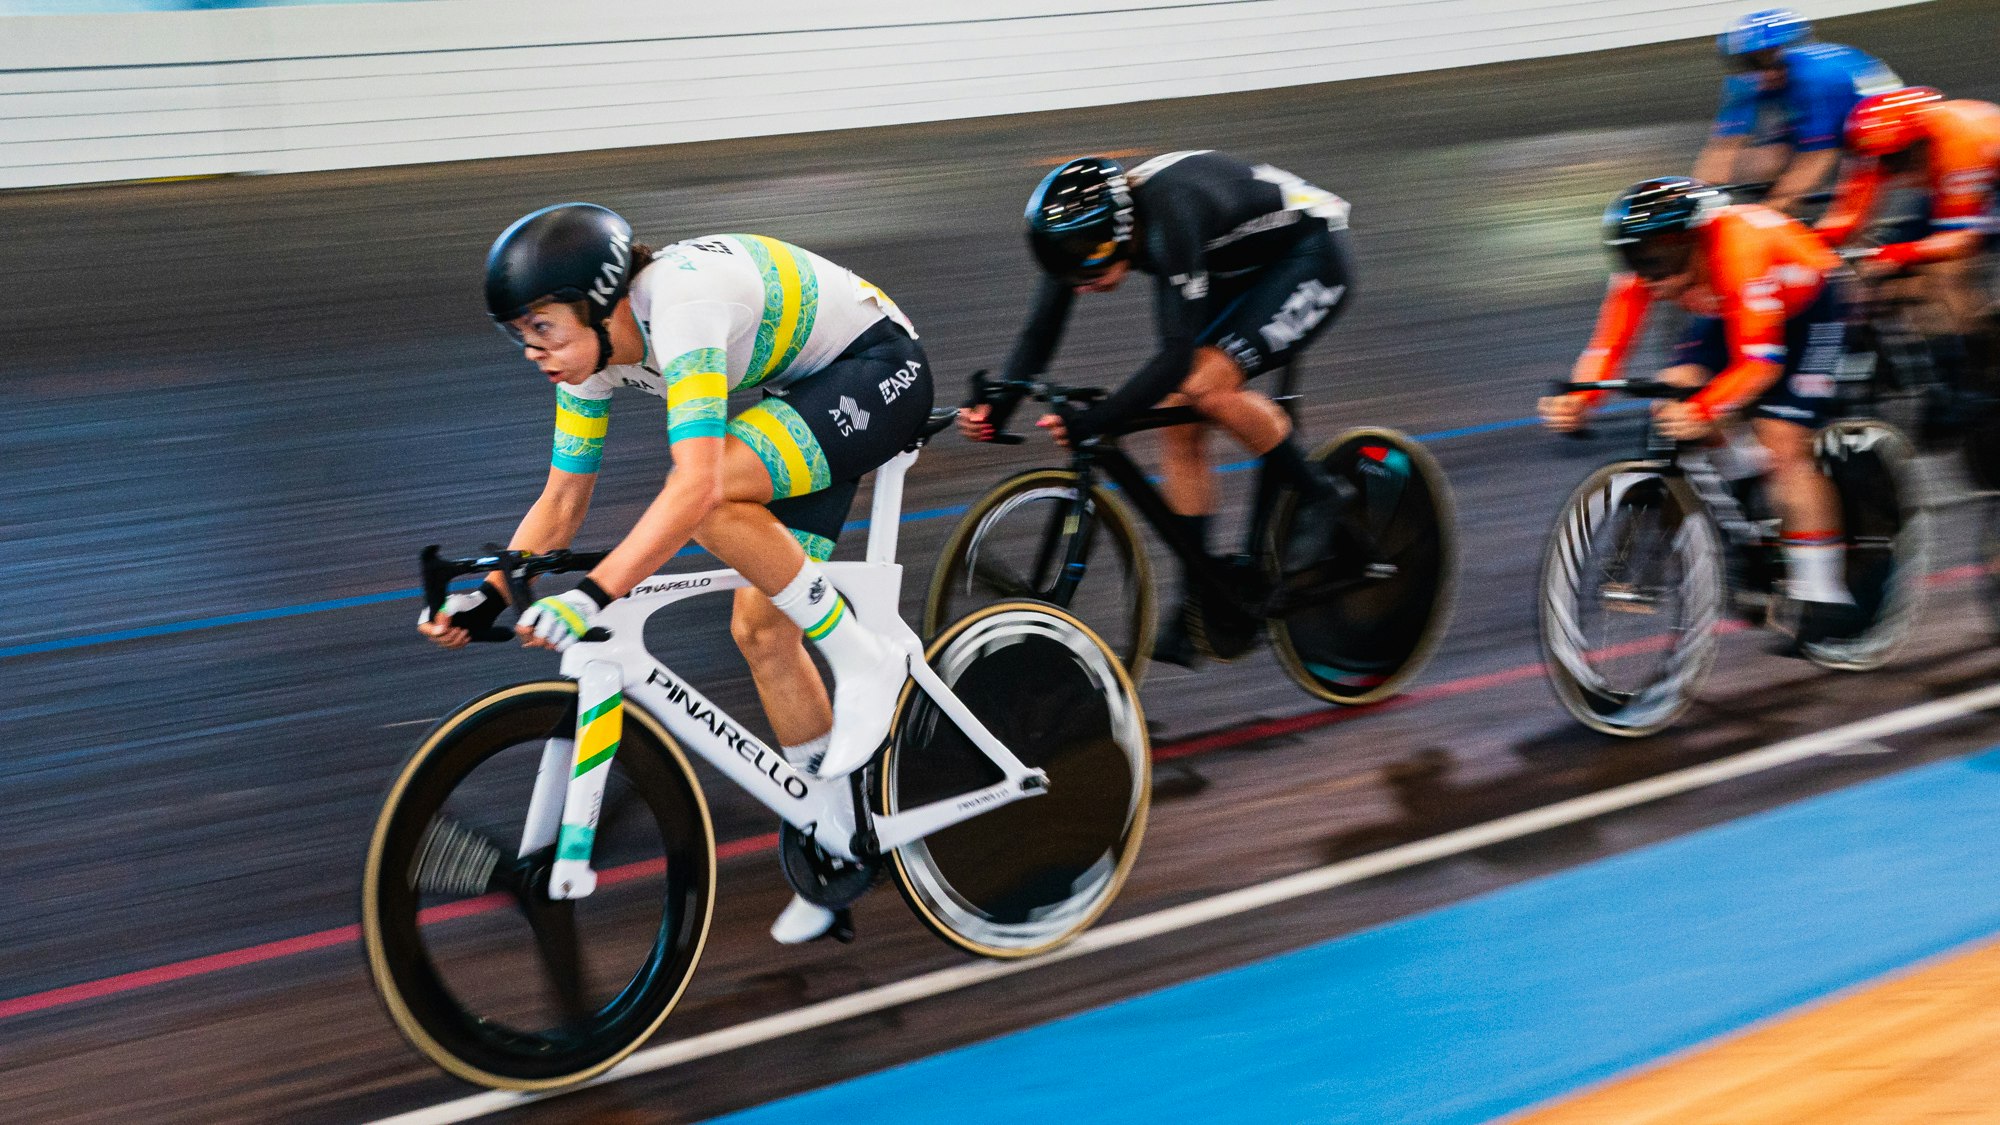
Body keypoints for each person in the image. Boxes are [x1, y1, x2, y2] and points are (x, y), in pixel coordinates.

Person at [418, 203, 934, 944]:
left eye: (541, 327)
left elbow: (695, 488)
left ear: (602, 304)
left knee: (710, 491)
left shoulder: (681, 304)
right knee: (761, 631)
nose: (532, 350)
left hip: (882, 367)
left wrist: (594, 594)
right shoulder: (588, 360)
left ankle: (865, 658)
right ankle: (838, 832)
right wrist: (486, 593)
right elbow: (562, 500)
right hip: (809, 394)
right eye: (518, 335)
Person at [958, 151, 1356, 665]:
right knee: (1178, 423)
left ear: (1119, 231)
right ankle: (1201, 598)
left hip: (1310, 252)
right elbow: (1040, 330)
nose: (1083, 282)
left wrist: (1097, 422)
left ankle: (1321, 493)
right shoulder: (1083, 236)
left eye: (1090, 264)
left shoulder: (1173, 214)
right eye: (1070, 269)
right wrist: (998, 406)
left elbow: (1172, 358)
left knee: (1200, 388)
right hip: (1238, 261)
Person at [1540, 178, 1859, 643]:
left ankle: (1824, 591)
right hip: (1732, 309)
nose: (1649, 275)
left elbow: (1761, 364)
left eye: (1660, 260)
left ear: (1697, 238)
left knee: (1782, 439)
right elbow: (1607, 349)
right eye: (1635, 259)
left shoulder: (1739, 248)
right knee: (1674, 392)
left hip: (1810, 309)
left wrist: (1706, 410)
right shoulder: (1644, 270)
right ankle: (1746, 478)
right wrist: (1579, 399)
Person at [1816, 86, 2000, 431]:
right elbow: (1849, 219)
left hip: (1987, 180)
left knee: (1946, 273)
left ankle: (1972, 380)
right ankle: (1940, 366)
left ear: (1919, 142)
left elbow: (1961, 241)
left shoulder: (1959, 140)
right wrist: (1805, 244)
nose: (1887, 168)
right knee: (1880, 274)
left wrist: (1898, 254)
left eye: (1895, 158)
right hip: (1948, 186)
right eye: (1881, 159)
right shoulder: (1879, 147)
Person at [1692, 8, 1901, 216]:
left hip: (1878, 124)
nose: (1761, 74)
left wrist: (1767, 215)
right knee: (1761, 164)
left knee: (1845, 194)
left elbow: (1818, 158)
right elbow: (1721, 150)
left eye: (1768, 62)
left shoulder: (1817, 76)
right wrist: (1696, 204)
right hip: (1828, 123)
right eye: (1750, 64)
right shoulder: (1748, 82)